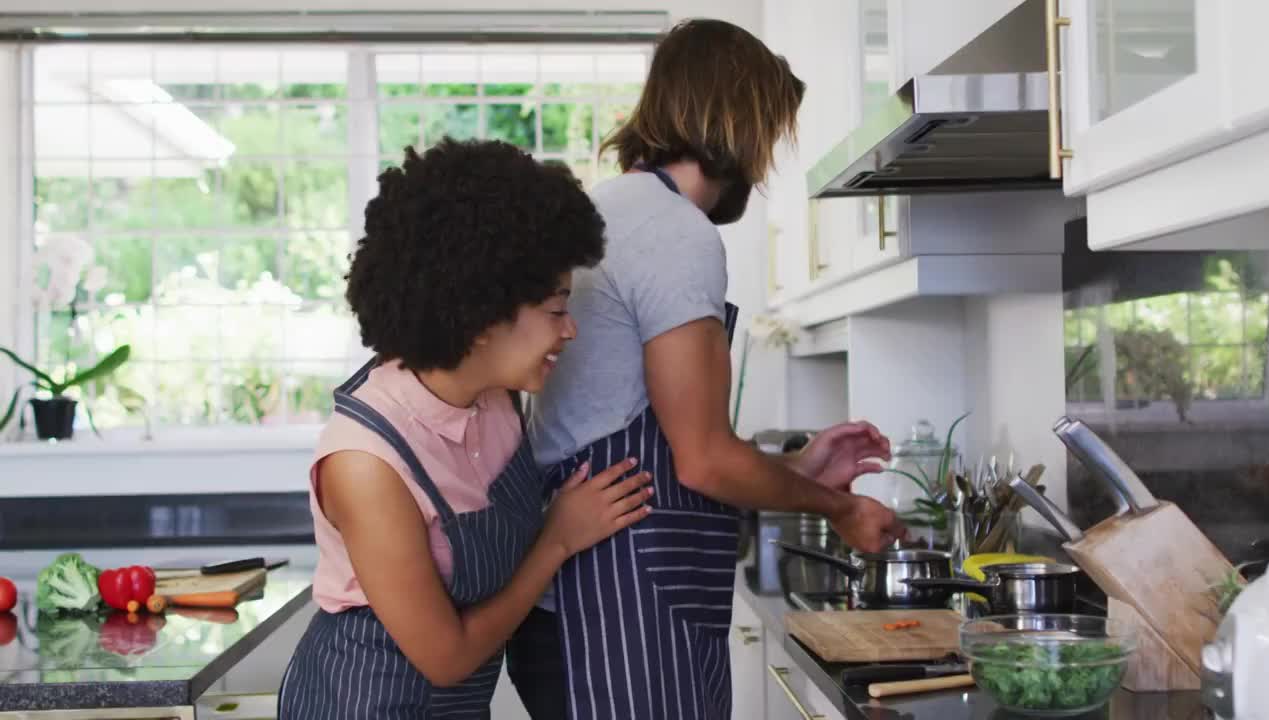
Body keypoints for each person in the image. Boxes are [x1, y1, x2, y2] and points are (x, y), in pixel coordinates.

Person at [516, 18, 906, 720]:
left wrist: (800, 470)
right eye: (769, 137)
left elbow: (666, 442)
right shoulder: (673, 232)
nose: (763, 166)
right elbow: (699, 461)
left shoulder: (612, 211)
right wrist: (843, 508)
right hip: (616, 605)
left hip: (602, 599)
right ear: (739, 125)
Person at [277, 139, 655, 719]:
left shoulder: (497, 397)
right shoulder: (366, 465)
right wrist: (556, 540)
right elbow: (447, 658)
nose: (570, 330)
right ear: (482, 318)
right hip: (363, 704)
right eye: (556, 310)